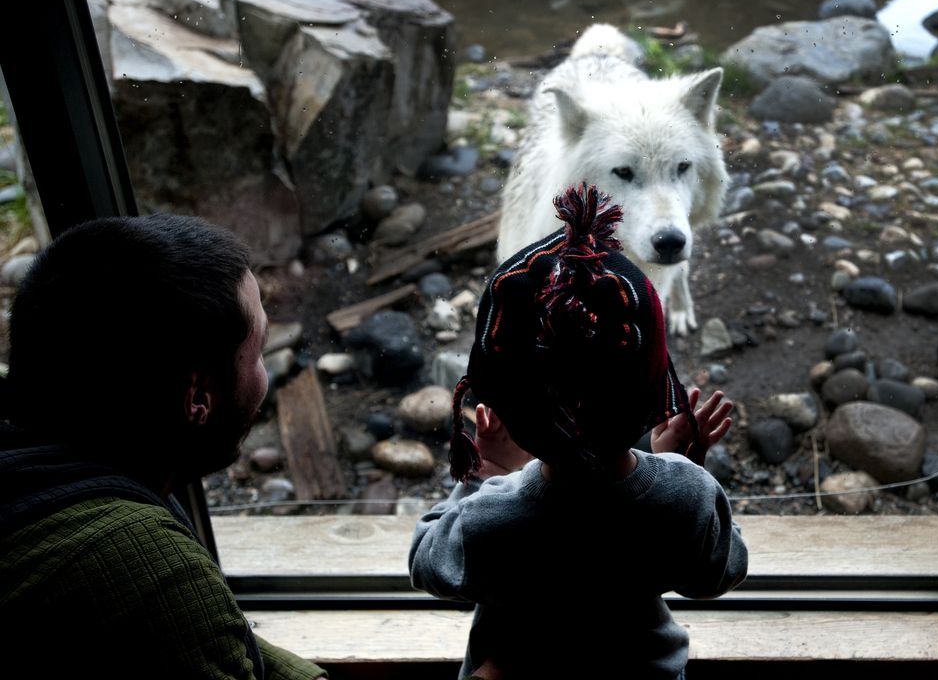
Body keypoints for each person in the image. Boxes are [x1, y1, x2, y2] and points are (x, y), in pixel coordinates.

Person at [409, 184, 749, 680]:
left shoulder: (492, 518)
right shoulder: (684, 498)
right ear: (657, 391)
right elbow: (719, 570)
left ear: (499, 405)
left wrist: (484, 477)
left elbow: (427, 561)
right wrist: (682, 468)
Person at [0, 214, 326, 679]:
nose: (263, 375)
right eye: (258, 351)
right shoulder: (144, 570)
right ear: (197, 397)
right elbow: (170, 613)